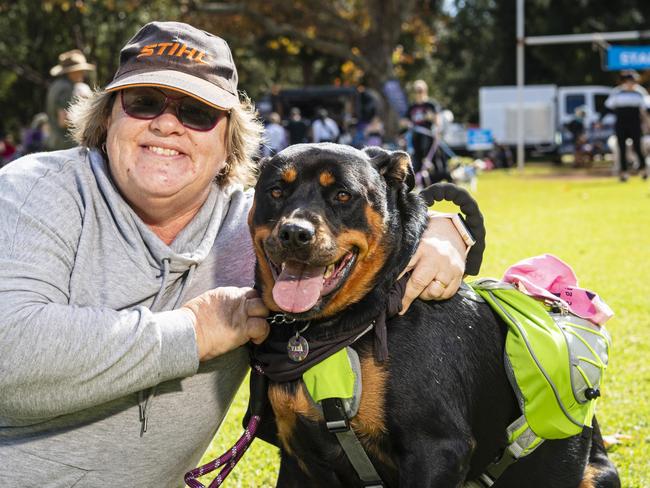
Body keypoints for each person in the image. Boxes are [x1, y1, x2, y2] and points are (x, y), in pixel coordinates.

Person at [0, 21, 473, 487]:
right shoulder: (33, 192)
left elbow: (362, 214)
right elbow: (9, 356)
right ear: (107, 119)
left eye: (197, 111)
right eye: (144, 103)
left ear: (228, 139)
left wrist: (445, 229)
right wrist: (194, 332)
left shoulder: (260, 229)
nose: (167, 123)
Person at [602, 70, 648, 181]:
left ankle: (643, 170)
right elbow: (608, 107)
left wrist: (646, 124)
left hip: (635, 124)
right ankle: (623, 173)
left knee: (638, 147)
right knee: (621, 148)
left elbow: (644, 110)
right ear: (624, 81)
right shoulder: (617, 93)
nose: (631, 83)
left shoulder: (640, 92)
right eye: (629, 81)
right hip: (621, 124)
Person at [45, 49, 96, 150]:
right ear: (72, 71)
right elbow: (63, 120)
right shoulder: (67, 88)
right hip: (66, 145)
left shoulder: (55, 86)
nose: (83, 73)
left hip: (55, 143)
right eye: (80, 70)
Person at [406, 80, 450, 186]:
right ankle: (421, 183)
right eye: (416, 91)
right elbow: (405, 120)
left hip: (429, 137)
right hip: (416, 137)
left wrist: (433, 122)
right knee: (417, 161)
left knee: (435, 161)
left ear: (425, 91)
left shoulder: (431, 105)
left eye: (420, 90)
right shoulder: (412, 107)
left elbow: (438, 121)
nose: (418, 93)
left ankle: (443, 180)